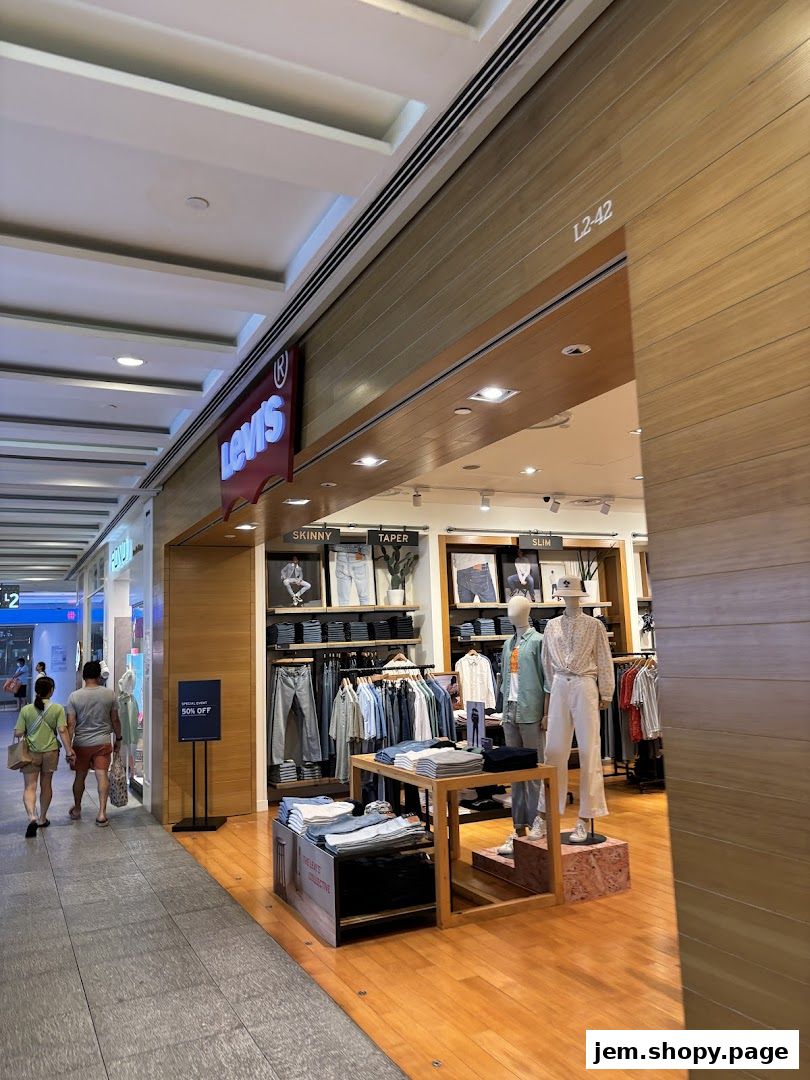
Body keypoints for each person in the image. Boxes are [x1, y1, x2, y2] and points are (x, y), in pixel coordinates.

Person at [13, 675, 74, 837]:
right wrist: (69, 751)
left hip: (30, 753)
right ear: (52, 691)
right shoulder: (58, 709)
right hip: (50, 752)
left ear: (36, 691)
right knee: (46, 785)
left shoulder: (26, 709)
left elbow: (18, 732)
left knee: (29, 787)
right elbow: (62, 731)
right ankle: (42, 818)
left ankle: (31, 816)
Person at [66, 660, 121, 826]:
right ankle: (102, 813)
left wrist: (69, 748)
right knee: (101, 774)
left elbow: (71, 724)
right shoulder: (109, 694)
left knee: (80, 777)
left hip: (81, 743)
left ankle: (77, 809)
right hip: (103, 742)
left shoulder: (74, 696)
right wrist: (119, 738)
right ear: (99, 676)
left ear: (83, 676)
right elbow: (115, 720)